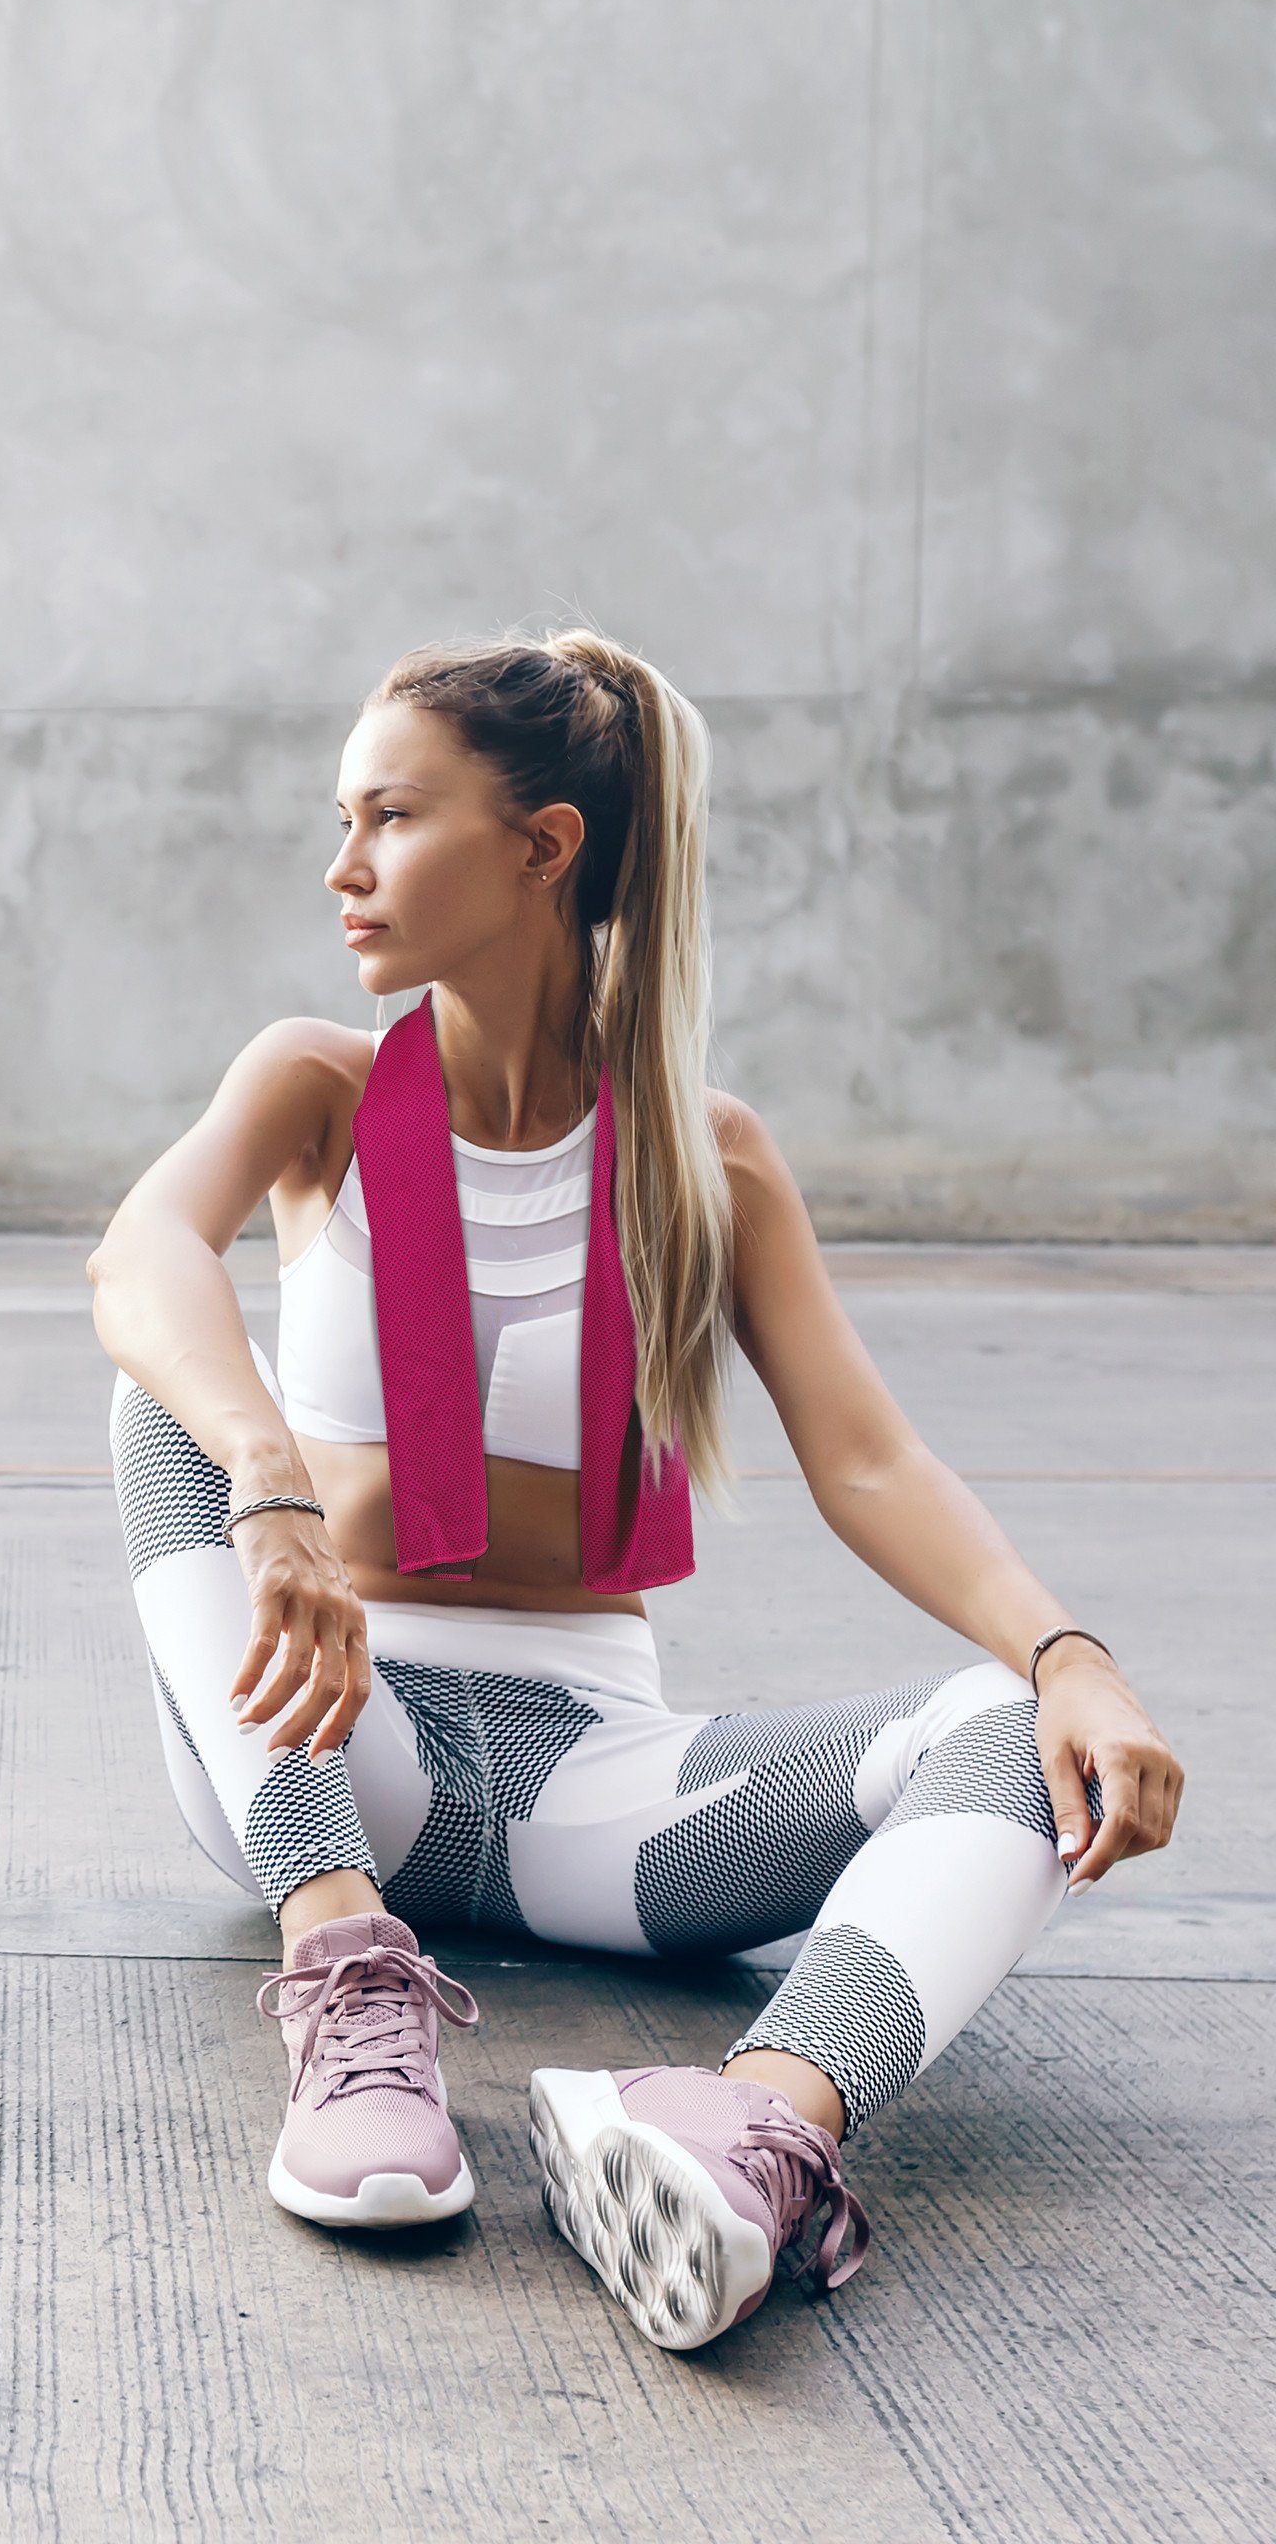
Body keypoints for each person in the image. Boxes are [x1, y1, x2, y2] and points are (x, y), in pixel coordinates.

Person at [83, 629, 1185, 2352]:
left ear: (543, 846)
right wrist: (273, 1481)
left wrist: (1071, 1656)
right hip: (318, 1741)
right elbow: (141, 1255)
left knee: (1002, 1733)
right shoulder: (323, 1084)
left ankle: (759, 2134)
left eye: (391, 815)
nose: (343, 864)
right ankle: (350, 1983)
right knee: (166, 1398)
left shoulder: (704, 1151)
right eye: (342, 817)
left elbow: (870, 1456)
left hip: (584, 1783)